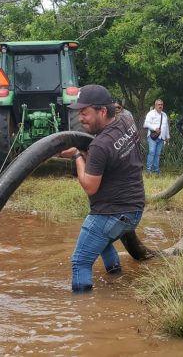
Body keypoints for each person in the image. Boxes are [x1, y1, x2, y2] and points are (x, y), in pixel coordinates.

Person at [58, 84, 145, 293]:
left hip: (111, 214)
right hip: (134, 210)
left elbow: (90, 186)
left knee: (80, 261)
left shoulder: (100, 146)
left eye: (85, 112)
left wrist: (77, 156)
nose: (81, 118)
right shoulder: (126, 121)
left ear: (103, 111)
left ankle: (83, 306)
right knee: (101, 241)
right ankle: (115, 275)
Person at [143, 99, 170, 175]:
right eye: (159, 104)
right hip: (152, 136)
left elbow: (166, 126)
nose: (160, 106)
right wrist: (155, 128)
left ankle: (156, 170)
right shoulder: (150, 113)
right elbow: (146, 124)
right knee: (152, 152)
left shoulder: (164, 115)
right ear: (155, 105)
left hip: (161, 137)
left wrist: (167, 136)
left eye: (161, 104)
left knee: (157, 154)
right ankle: (148, 170)